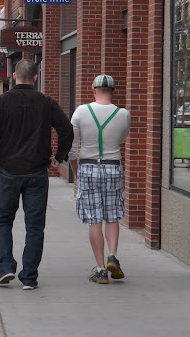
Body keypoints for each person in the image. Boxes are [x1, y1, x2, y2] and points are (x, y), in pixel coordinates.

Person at [0, 59, 73, 290]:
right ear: (35, 78)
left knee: (2, 221)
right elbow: (66, 130)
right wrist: (59, 157)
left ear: (13, 76)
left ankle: (6, 266)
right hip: (37, 173)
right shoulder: (46, 102)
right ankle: (29, 276)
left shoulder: (1, 102)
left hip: (8, 171)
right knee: (35, 226)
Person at [68, 74, 131, 285]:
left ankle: (101, 269)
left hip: (88, 166)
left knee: (94, 219)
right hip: (113, 167)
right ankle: (113, 255)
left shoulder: (81, 112)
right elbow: (122, 138)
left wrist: (76, 170)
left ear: (94, 91)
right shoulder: (123, 114)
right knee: (112, 216)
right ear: (112, 91)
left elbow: (72, 146)